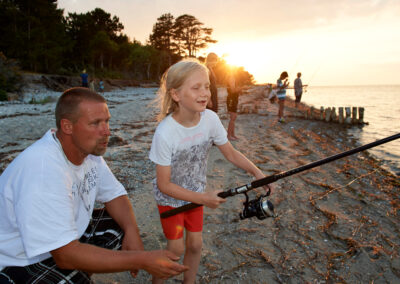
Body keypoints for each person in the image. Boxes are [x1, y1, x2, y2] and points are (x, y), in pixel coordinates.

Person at [0, 87, 187, 283]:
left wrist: (133, 232)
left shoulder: (87, 153)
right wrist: (142, 259)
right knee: (70, 275)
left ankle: (82, 272)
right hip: (18, 260)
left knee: (118, 224)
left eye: (107, 121)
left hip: (60, 242)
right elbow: (65, 256)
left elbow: (115, 195)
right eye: (95, 123)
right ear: (67, 126)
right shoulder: (43, 169)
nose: (107, 131)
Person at [149, 59, 269, 284]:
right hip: (171, 199)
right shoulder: (165, 133)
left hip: (196, 194)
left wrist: (257, 173)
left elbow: (231, 154)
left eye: (206, 86)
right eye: (196, 88)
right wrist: (203, 198)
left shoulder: (210, 119)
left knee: (195, 244)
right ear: (176, 95)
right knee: (175, 249)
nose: (204, 93)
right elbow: (164, 184)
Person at [226, 67, 244, 140]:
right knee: (232, 118)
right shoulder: (231, 78)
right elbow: (233, 91)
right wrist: (240, 88)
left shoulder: (233, 78)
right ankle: (229, 135)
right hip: (231, 100)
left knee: (234, 117)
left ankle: (232, 134)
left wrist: (240, 90)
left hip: (233, 100)